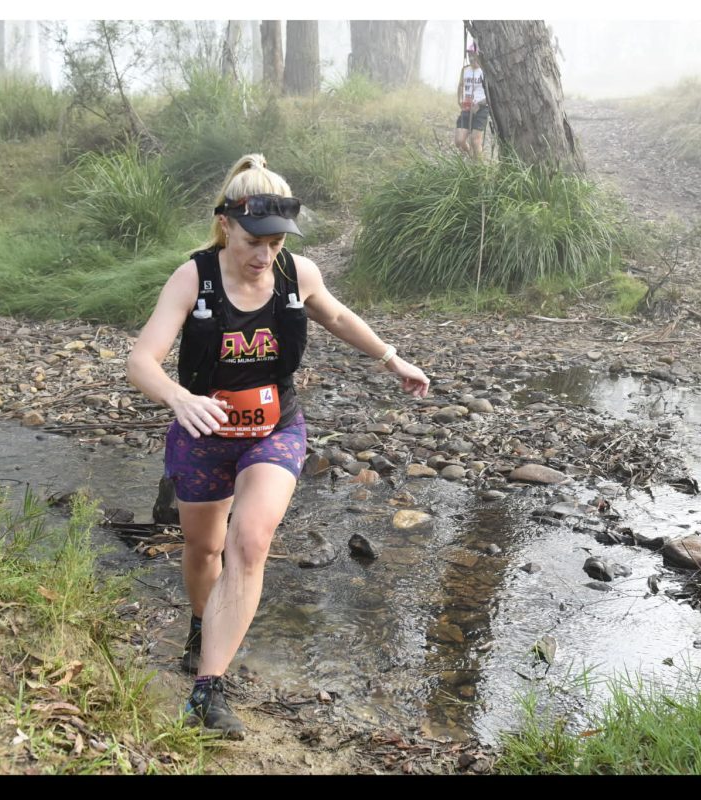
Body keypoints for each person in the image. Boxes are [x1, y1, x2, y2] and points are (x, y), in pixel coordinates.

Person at [126, 154, 430, 740]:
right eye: (252, 240)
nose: (263, 254)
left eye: (274, 241)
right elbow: (142, 359)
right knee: (204, 551)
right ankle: (200, 623)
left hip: (274, 430)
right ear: (226, 226)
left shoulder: (297, 274)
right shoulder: (194, 277)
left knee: (250, 541)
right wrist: (178, 398)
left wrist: (393, 360)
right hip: (204, 434)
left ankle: (206, 693)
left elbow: (338, 317)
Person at [454, 40, 490, 159]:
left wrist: (479, 105)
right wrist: (459, 100)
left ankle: (478, 169)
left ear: (479, 56)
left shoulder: (485, 72)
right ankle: (469, 154)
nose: (471, 58)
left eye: (473, 55)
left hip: (481, 109)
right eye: (469, 55)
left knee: (475, 141)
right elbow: (460, 85)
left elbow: (491, 96)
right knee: (459, 141)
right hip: (467, 107)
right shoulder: (465, 70)